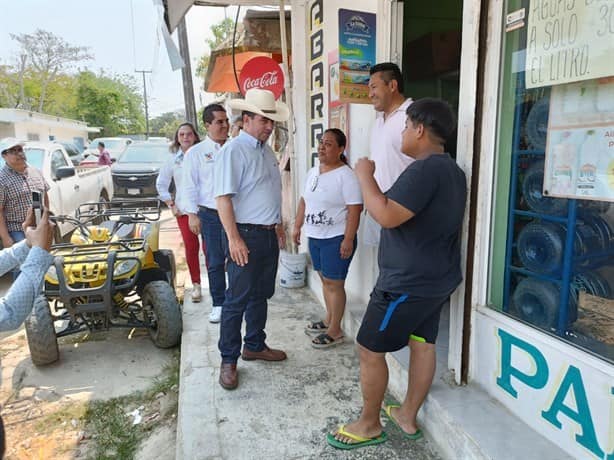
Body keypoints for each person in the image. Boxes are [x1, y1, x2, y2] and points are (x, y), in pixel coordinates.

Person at [327, 98, 467, 450]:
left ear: (420, 129)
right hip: (436, 278)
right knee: (423, 344)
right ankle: (406, 415)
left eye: (406, 126)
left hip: (406, 282)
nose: (403, 133)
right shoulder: (452, 170)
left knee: (369, 348)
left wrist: (363, 176)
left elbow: (386, 214)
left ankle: (369, 423)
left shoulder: (424, 170)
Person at [214, 88, 289, 390]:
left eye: (272, 122)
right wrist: (234, 239)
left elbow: (270, 192)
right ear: (246, 119)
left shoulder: (266, 150)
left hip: (267, 235)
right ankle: (229, 359)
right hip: (243, 235)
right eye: (264, 120)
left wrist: (279, 225)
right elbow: (223, 199)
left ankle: (255, 344)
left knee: (261, 295)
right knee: (237, 300)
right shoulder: (234, 151)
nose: (269, 127)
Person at [293, 128, 362, 349]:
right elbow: (304, 201)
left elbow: (354, 209)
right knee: (325, 280)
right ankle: (328, 319)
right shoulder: (313, 172)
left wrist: (348, 239)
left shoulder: (346, 175)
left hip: (336, 237)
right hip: (316, 237)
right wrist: (297, 226)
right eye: (321, 142)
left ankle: (335, 329)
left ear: (341, 149)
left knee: (335, 283)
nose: (322, 147)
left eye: (329, 143)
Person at [182, 104, 229, 322]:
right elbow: (189, 186)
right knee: (215, 260)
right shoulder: (196, 153)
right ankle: (219, 303)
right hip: (210, 215)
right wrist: (192, 214)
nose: (225, 125)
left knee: (239, 260)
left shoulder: (234, 148)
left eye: (226, 121)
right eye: (219, 121)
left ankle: (237, 300)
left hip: (237, 214)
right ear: (207, 125)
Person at [363, 62, 413, 246]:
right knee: (382, 263)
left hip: (401, 209)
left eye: (374, 87)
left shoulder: (412, 116)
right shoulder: (378, 123)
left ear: (392, 86)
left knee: (400, 263)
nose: (370, 94)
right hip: (377, 205)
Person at [156, 122, 203, 303]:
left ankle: (218, 285)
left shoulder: (204, 156)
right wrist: (171, 204)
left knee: (211, 250)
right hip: (184, 211)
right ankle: (197, 285)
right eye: (182, 134)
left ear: (195, 136)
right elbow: (161, 184)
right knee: (191, 248)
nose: (185, 137)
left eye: (189, 134)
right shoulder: (173, 161)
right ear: (177, 138)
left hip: (205, 209)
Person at [0, 140, 50, 263]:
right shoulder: (2, 179)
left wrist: (47, 220)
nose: (19, 154)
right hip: (17, 231)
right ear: (4, 156)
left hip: (39, 227)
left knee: (42, 264)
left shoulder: (35, 172)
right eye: (13, 151)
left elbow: (45, 196)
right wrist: (6, 238)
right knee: (24, 267)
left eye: (20, 150)